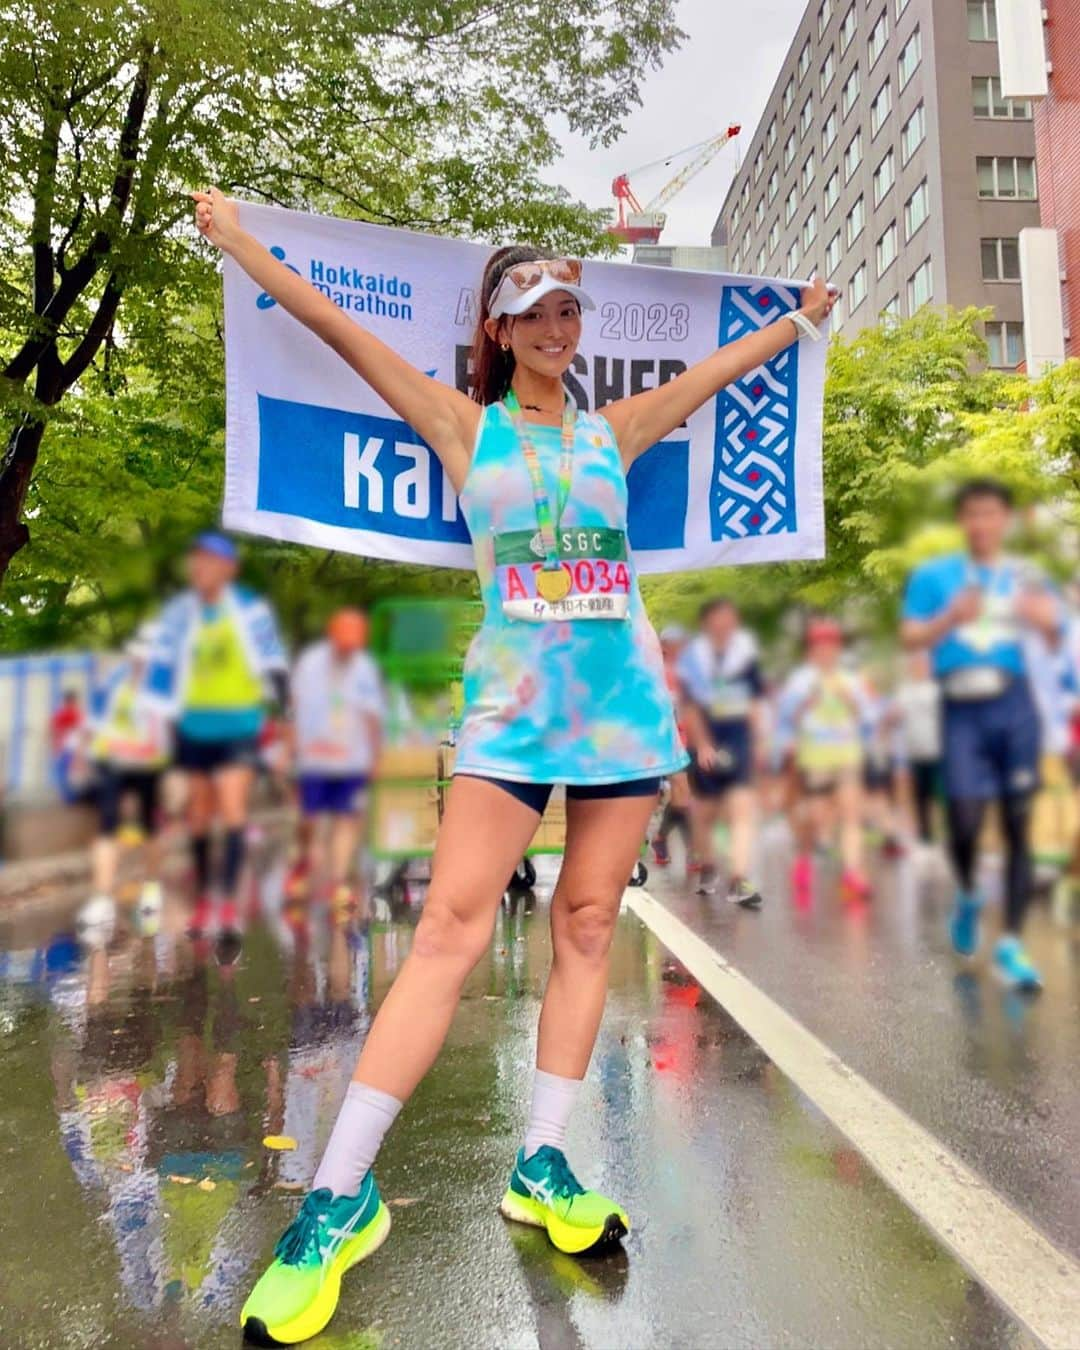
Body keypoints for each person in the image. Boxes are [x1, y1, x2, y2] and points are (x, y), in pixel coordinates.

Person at [193, 186, 836, 1344]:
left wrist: (796, 323)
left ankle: (542, 1165)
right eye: (534, 309)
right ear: (496, 327)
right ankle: (336, 1196)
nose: (556, 326)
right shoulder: (461, 423)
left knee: (589, 925)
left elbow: (711, 381)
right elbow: (341, 330)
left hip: (626, 707)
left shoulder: (613, 429)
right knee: (448, 928)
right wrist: (243, 248)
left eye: (568, 309)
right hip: (512, 706)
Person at [901, 478, 1061, 990]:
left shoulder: (1025, 574)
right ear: (962, 522)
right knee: (966, 821)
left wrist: (1045, 619)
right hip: (961, 708)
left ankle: (1010, 944)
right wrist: (950, 616)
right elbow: (910, 635)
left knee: (1018, 820)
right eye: (972, 514)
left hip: (1014, 705)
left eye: (991, 514)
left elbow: (1057, 630)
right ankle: (969, 892)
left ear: (1005, 520)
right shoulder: (935, 576)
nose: (982, 524)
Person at [143, 532, 288, 939]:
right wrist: (156, 730)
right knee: (199, 818)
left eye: (209, 561)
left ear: (228, 568)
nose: (200, 568)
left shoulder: (249, 611)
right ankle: (205, 899)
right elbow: (160, 671)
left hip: (240, 726)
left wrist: (286, 721)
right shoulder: (178, 614)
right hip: (192, 728)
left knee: (233, 807)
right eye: (196, 561)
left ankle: (226, 906)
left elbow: (275, 666)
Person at [288, 609, 385, 913]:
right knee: (308, 820)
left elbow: (373, 716)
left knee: (347, 818)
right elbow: (295, 708)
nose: (347, 649)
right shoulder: (310, 664)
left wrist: (375, 756)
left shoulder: (365, 668)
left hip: (351, 758)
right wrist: (289, 748)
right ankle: (303, 863)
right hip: (314, 757)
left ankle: (338, 882)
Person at [676, 598, 765, 905]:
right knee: (706, 814)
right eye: (719, 618)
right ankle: (709, 864)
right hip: (705, 740)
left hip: (738, 739)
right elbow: (690, 707)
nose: (725, 624)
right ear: (707, 622)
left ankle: (739, 878)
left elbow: (754, 702)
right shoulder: (693, 660)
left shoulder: (746, 655)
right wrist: (701, 745)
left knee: (742, 809)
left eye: (730, 618)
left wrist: (759, 742)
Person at [777, 618, 872, 904]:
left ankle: (852, 874)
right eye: (821, 646)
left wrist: (851, 702)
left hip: (846, 755)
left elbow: (867, 717)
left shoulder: (851, 680)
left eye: (832, 646)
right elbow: (786, 719)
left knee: (851, 813)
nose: (827, 652)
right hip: (814, 758)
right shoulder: (800, 681)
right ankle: (804, 857)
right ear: (812, 649)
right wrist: (807, 704)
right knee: (817, 819)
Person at [82, 631, 171, 933]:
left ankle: (152, 887)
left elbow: (170, 730)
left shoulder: (164, 687)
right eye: (138, 656)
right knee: (107, 825)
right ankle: (102, 898)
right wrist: (85, 756)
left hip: (148, 764)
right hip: (114, 762)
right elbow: (95, 722)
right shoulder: (112, 681)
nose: (141, 662)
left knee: (150, 827)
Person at [651, 625, 692, 869]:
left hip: (689, 740)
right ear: (666, 647)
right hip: (667, 742)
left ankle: (661, 838)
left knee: (683, 796)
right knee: (682, 793)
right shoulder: (655, 672)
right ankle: (693, 849)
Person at [895, 651, 943, 848]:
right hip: (915, 751)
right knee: (920, 795)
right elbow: (896, 715)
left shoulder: (937, 689)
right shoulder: (904, 691)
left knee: (940, 794)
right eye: (915, 664)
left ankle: (943, 830)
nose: (919, 668)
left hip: (938, 750)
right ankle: (925, 833)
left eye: (922, 664)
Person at [50, 687, 86, 804]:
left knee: (64, 774)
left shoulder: (62, 714)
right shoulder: (75, 714)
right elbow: (80, 732)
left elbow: (54, 731)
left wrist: (55, 746)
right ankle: (70, 798)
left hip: (66, 748)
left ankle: (69, 798)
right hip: (69, 748)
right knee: (66, 774)